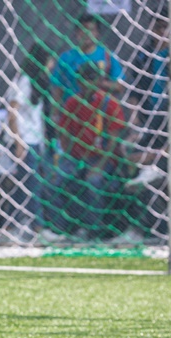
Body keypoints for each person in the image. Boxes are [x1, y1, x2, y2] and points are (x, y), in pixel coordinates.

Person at [54, 63, 126, 239]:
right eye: (83, 80)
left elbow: (114, 142)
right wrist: (67, 157)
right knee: (56, 179)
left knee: (93, 180)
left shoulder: (109, 103)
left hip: (103, 158)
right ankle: (61, 229)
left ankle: (95, 229)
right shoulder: (72, 102)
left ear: (98, 81)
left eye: (91, 79)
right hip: (77, 156)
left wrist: (100, 165)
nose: (86, 84)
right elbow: (63, 133)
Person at [4, 42, 61, 243]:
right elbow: (12, 112)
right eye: (50, 61)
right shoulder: (24, 81)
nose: (52, 65)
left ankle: (11, 226)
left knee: (28, 184)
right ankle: (38, 227)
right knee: (31, 184)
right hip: (24, 140)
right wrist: (18, 142)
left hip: (35, 141)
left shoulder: (39, 83)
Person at [50, 14, 123, 111]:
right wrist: (55, 112)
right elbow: (58, 88)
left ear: (97, 33)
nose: (86, 33)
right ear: (76, 32)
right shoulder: (66, 57)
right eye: (82, 29)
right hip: (72, 113)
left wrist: (96, 83)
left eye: (91, 29)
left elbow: (119, 86)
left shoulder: (108, 56)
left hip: (100, 112)